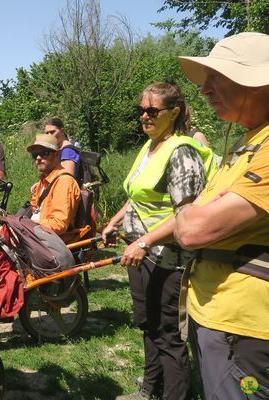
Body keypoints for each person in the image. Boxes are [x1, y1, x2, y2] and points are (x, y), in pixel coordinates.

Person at [102, 81, 215, 400]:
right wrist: (116, 219)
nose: (144, 116)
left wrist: (145, 242)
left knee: (167, 333)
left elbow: (187, 214)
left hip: (167, 257)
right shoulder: (151, 146)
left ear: (174, 112)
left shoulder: (181, 152)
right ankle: (150, 387)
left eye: (152, 110)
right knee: (147, 323)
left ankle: (176, 393)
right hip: (140, 251)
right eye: (141, 110)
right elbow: (139, 196)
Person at [174, 32, 269, 400]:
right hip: (219, 315)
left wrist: (185, 208)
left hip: (244, 328)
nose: (204, 91)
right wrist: (192, 211)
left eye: (218, 78)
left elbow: (195, 228)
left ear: (259, 83)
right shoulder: (249, 143)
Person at [26, 133, 81, 236]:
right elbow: (35, 207)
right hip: (37, 231)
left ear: (57, 154)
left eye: (44, 153)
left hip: (51, 238)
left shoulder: (64, 182)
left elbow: (59, 225)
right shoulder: (44, 180)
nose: (38, 158)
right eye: (35, 154)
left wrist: (27, 225)